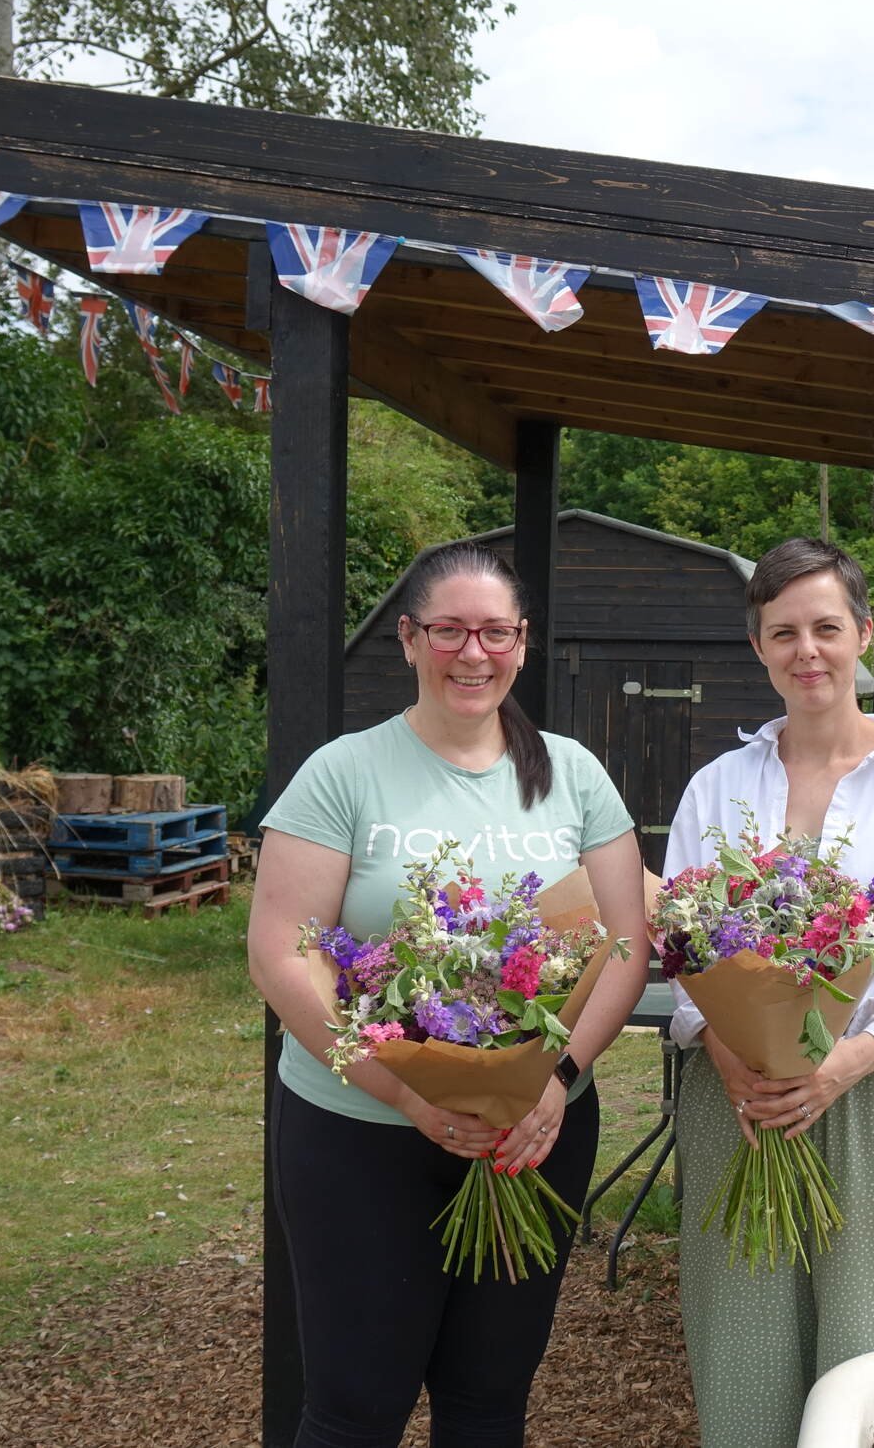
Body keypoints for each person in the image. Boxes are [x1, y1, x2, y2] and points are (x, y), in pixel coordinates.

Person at [247, 542, 649, 1448]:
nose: (474, 652)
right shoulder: (344, 772)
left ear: (523, 642)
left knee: (486, 1406)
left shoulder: (573, 774)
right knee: (354, 1409)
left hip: (532, 1136)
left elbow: (624, 944)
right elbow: (280, 955)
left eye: (496, 631)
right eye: (449, 630)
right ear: (408, 638)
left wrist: (555, 1080)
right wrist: (404, 1092)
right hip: (361, 1136)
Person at [662, 537, 874, 1448]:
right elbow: (686, 951)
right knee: (746, 1349)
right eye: (783, 632)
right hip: (740, 1099)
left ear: (865, 634)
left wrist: (836, 1066)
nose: (807, 650)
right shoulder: (717, 788)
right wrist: (736, 1057)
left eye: (826, 628)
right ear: (759, 647)